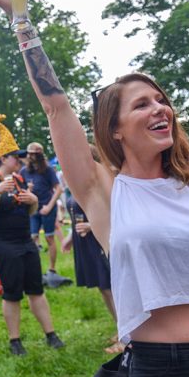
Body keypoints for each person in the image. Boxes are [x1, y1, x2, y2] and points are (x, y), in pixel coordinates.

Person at [0, 0, 189, 377]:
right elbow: (55, 106)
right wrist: (20, 16)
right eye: (143, 104)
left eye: (162, 100)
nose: (161, 109)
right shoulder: (103, 191)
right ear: (114, 129)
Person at [0, 114, 65, 356]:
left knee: (36, 289)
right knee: (13, 292)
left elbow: (31, 209)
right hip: (2, 244)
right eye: (16, 156)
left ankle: (51, 334)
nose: (21, 160)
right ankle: (15, 341)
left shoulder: (19, 179)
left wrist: (34, 201)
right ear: (3, 158)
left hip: (24, 241)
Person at [61, 146, 120, 354]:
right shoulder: (78, 181)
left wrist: (91, 225)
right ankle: (120, 328)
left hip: (100, 240)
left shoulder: (103, 180)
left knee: (112, 288)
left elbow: (117, 213)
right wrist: (70, 237)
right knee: (103, 288)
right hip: (85, 242)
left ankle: (128, 335)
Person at [20, 142, 66, 284]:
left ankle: (52, 269)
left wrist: (49, 206)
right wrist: (28, 189)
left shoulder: (48, 170)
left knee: (49, 238)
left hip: (47, 207)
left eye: (35, 154)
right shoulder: (24, 171)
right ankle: (35, 269)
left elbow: (59, 189)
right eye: (30, 153)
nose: (32, 156)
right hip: (33, 209)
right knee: (33, 238)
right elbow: (21, 192)